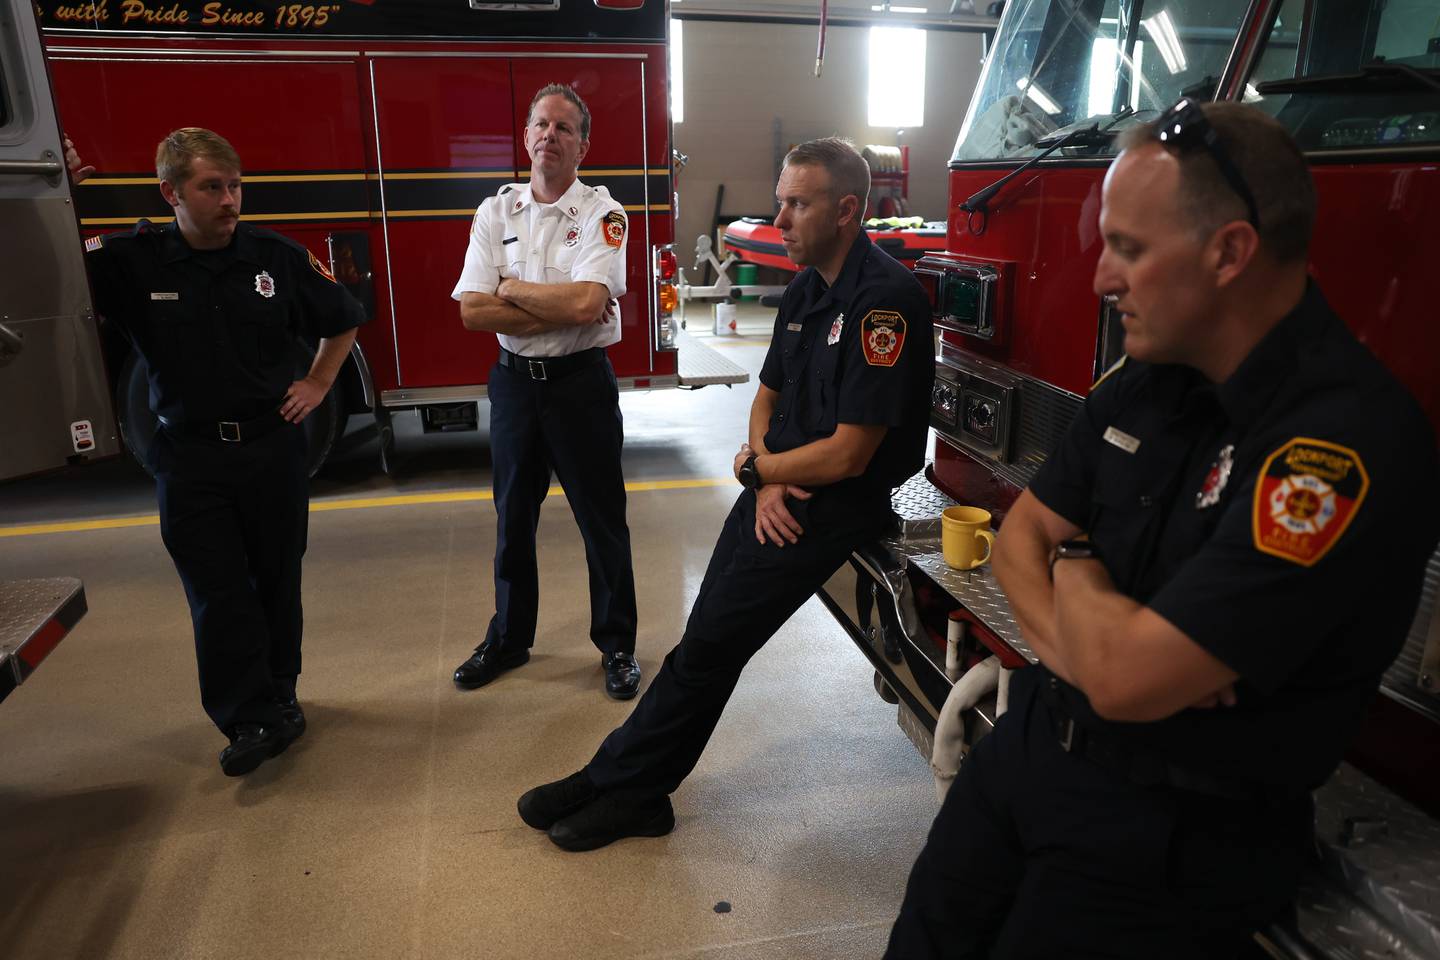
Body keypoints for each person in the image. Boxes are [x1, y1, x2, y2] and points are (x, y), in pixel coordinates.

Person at [886, 101, 1440, 958]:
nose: (1102, 278)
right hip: (1034, 748)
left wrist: (1080, 586)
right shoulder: (1148, 376)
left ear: (1230, 254)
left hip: (1169, 836)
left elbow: (1118, 661)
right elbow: (1024, 539)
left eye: (1130, 250)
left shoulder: (1334, 450)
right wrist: (1094, 619)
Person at [517, 137, 935, 851]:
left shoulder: (884, 302)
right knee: (704, 644)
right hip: (780, 490)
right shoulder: (805, 289)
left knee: (709, 647)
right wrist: (765, 468)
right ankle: (621, 778)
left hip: (830, 507)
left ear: (846, 210)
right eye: (780, 200)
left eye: (797, 204)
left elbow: (850, 453)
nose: (780, 218)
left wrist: (762, 475)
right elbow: (768, 394)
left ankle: (626, 786)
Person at [77, 128, 367, 777]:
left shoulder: (275, 258)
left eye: (235, 186)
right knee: (217, 590)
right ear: (171, 193)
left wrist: (320, 382)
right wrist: (61, 192)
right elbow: (49, 272)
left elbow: (343, 314)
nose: (229, 200)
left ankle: (281, 693)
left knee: (276, 577)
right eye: (212, 187)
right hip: (190, 459)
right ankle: (246, 717)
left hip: (271, 450)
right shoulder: (132, 263)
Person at [449, 83, 642, 701]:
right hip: (513, 389)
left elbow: (589, 302)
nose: (549, 136)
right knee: (512, 520)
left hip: (579, 387)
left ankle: (617, 646)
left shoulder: (604, 215)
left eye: (563, 127)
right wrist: (553, 308)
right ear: (525, 136)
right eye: (540, 125)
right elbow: (472, 316)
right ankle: (508, 638)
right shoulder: (494, 212)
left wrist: (509, 287)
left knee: (601, 521)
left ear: (583, 146)